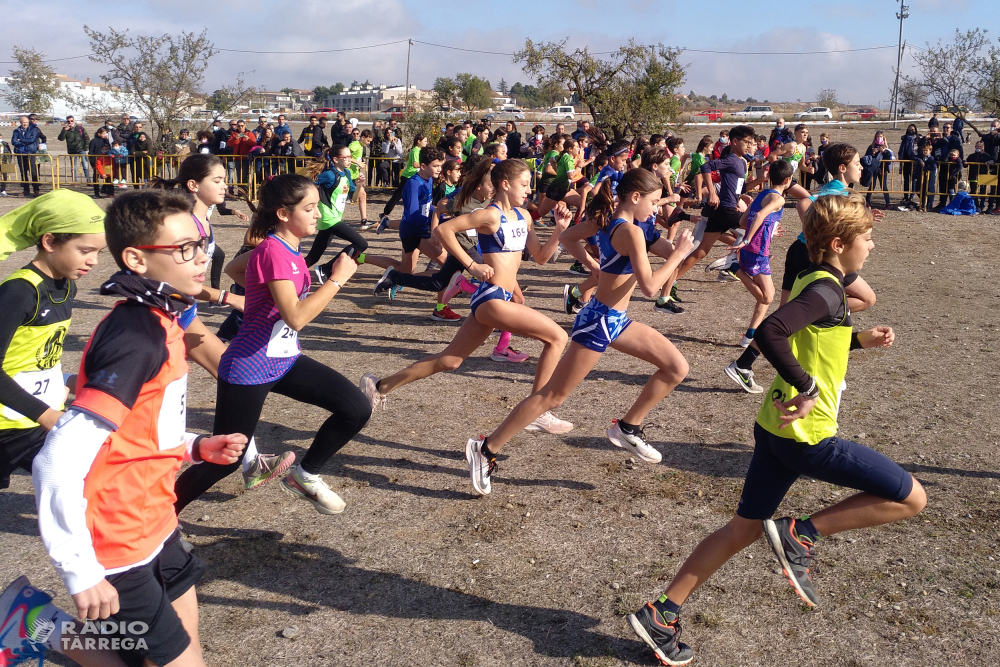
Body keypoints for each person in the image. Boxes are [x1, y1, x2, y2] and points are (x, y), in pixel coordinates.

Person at [627, 194, 925, 667]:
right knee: (912, 498)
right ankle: (800, 535)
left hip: (774, 428)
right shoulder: (827, 289)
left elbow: (816, 336)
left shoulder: (818, 278)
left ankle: (662, 612)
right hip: (806, 436)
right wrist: (805, 386)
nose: (871, 247)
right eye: (867, 239)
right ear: (838, 243)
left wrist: (859, 339)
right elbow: (772, 332)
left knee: (743, 528)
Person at [33, 189, 249, 667]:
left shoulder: (165, 318)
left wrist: (194, 447)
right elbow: (56, 460)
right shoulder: (138, 336)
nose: (201, 258)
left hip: (158, 520)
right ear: (136, 259)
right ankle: (32, 624)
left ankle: (30, 622)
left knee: (182, 649)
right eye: (184, 249)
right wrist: (79, 568)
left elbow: (140, 429)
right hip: (116, 538)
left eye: (201, 244)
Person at [464, 169, 695, 496]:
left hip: (616, 319)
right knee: (551, 397)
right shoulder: (629, 231)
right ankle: (485, 448)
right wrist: (678, 255)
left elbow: (570, 237)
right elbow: (650, 287)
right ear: (635, 197)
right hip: (599, 321)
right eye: (655, 202)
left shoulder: (612, 224)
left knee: (676, 367)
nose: (657, 209)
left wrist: (595, 266)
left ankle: (628, 428)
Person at [172, 174, 371, 515]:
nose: (317, 214)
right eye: (309, 208)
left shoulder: (288, 249)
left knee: (355, 409)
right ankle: (155, 522)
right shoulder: (274, 251)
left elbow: (237, 268)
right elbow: (295, 318)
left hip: (285, 361)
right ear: (283, 213)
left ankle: (304, 476)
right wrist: (337, 279)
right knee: (225, 462)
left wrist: (259, 291)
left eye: (317, 206)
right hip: (249, 369)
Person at [360, 159, 574, 435]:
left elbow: (542, 257)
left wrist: (559, 230)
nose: (529, 190)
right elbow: (443, 230)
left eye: (529, 184)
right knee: (557, 337)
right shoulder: (490, 215)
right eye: (523, 184)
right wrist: (471, 266)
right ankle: (538, 410)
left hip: (499, 298)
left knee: (450, 360)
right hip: (492, 297)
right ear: (505, 185)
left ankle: (378, 386)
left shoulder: (525, 217)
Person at [726, 143, 878, 393]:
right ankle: (819, 336)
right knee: (867, 298)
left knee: (787, 313)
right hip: (817, 255)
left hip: (801, 250)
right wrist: (817, 235)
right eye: (857, 164)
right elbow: (803, 204)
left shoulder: (837, 190)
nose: (861, 168)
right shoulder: (838, 192)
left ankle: (743, 364)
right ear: (842, 168)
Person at [0, 191, 105, 493]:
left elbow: (35, 360)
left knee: (91, 481)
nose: (94, 261)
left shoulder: (66, 287)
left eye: (99, 253)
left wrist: (76, 381)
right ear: (49, 242)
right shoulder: (19, 291)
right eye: (85, 250)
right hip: (11, 424)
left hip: (30, 420)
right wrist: (48, 416)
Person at [728, 160, 794, 355]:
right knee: (767, 296)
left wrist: (769, 231)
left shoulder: (762, 194)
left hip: (755, 249)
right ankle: (733, 268)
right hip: (756, 251)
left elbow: (742, 220)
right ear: (788, 180)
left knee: (767, 295)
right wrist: (749, 240)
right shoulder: (779, 199)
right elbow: (758, 217)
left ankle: (750, 335)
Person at [305, 147, 369, 282]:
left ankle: (291, 275)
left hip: (334, 218)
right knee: (361, 243)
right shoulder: (329, 175)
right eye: (345, 157)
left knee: (313, 256)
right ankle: (326, 269)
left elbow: (353, 198)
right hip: (328, 218)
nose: (349, 159)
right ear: (335, 159)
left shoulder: (346, 173)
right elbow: (307, 184)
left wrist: (359, 185)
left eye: (350, 156)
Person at [378, 134, 428, 227]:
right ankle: (385, 213)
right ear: (419, 141)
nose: (426, 143)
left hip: (412, 176)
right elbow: (415, 164)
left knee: (409, 197)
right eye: (424, 141)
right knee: (398, 195)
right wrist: (426, 164)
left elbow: (406, 158)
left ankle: (413, 216)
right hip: (409, 176)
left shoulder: (416, 150)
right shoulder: (415, 151)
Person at [11, 116, 40, 197]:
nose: (25, 124)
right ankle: (26, 190)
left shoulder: (33, 130)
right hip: (20, 153)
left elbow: (32, 140)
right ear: (20, 122)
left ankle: (36, 190)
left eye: (27, 122)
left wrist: (21, 140)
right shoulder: (16, 131)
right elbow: (13, 141)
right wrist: (23, 141)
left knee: (33, 172)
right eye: (24, 122)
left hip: (30, 153)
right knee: (23, 172)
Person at [58, 116, 90, 184]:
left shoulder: (80, 128)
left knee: (85, 165)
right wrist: (64, 130)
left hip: (81, 149)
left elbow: (87, 138)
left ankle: (88, 180)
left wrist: (85, 148)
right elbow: (61, 138)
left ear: (74, 121)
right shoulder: (65, 129)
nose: (70, 122)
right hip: (72, 150)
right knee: (73, 167)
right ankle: (74, 181)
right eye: (68, 121)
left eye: (71, 121)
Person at [897, 124, 921, 209]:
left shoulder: (918, 139)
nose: (911, 130)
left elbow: (920, 150)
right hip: (905, 161)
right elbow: (901, 149)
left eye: (913, 129)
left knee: (913, 180)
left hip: (914, 162)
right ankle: (906, 196)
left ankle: (912, 196)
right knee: (906, 180)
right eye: (910, 129)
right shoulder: (904, 139)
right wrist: (900, 157)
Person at [87, 128, 113, 198]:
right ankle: (96, 193)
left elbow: (109, 149)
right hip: (97, 162)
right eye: (103, 133)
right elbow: (91, 152)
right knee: (96, 178)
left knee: (108, 177)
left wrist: (107, 140)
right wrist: (92, 163)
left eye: (105, 133)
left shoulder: (106, 141)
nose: (105, 135)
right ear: (99, 133)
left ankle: (108, 191)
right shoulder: (93, 141)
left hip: (106, 162)